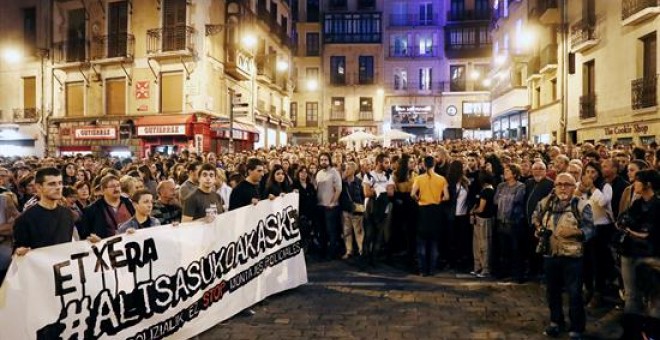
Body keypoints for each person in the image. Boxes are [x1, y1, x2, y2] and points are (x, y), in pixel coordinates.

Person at [532, 173, 594, 340]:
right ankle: (555, 322)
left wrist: (576, 232)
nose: (563, 187)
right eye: (559, 184)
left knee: (574, 293)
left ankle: (577, 328)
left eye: (567, 184)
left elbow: (590, 229)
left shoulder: (582, 206)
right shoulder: (546, 203)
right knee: (552, 291)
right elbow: (535, 217)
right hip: (550, 253)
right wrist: (538, 228)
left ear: (574, 187)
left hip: (573, 256)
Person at [616, 169, 660, 339]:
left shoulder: (657, 205)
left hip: (652, 255)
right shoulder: (637, 203)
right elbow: (624, 221)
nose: (633, 184)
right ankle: (631, 332)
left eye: (637, 181)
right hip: (631, 252)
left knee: (655, 296)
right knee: (632, 295)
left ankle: (652, 332)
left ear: (647, 184)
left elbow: (652, 233)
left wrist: (636, 231)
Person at [12, 167, 79, 255]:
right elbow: (17, 254)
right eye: (52, 184)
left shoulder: (68, 214)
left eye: (60, 183)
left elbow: (69, 244)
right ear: (39, 187)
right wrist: (19, 252)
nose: (58, 187)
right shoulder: (24, 220)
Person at [578, 161, 615, 308]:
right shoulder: (581, 188)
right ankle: (588, 288)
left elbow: (602, 202)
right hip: (585, 228)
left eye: (593, 172)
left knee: (598, 262)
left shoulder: (605, 187)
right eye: (587, 172)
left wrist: (592, 187)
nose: (589, 175)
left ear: (598, 173)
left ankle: (598, 293)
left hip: (600, 229)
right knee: (585, 261)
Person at [411, 156, 449, 276]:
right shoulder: (442, 179)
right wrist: (439, 200)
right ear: (434, 165)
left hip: (423, 210)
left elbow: (412, 194)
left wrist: (418, 199)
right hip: (436, 210)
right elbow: (447, 196)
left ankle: (422, 269)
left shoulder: (419, 178)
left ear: (424, 165)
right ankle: (432, 269)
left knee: (422, 241)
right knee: (434, 242)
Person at [493, 163, 527, 282]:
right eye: (505, 171)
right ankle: (504, 272)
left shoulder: (520, 186)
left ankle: (518, 274)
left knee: (516, 249)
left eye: (508, 171)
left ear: (515, 174)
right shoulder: (501, 186)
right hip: (501, 220)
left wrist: (505, 199)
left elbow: (517, 200)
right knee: (503, 249)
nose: (505, 173)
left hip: (514, 222)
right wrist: (508, 199)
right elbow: (496, 200)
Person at [79, 174, 135, 239]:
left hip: (129, 244)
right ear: (103, 190)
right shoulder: (92, 209)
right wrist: (91, 238)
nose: (116, 189)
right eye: (112, 186)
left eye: (118, 185)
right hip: (106, 246)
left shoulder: (128, 203)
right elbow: (85, 234)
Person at [525, 161, 555, 277]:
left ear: (545, 171)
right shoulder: (528, 182)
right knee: (530, 248)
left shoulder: (550, 184)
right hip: (528, 222)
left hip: (542, 223)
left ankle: (542, 273)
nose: (537, 171)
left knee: (542, 249)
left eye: (541, 169)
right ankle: (532, 270)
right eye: (535, 169)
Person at [363, 153, 394, 262]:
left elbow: (391, 193)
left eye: (388, 162)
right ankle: (366, 257)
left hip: (383, 209)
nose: (388, 165)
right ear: (379, 163)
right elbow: (366, 192)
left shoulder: (389, 176)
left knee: (379, 235)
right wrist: (382, 189)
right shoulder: (368, 176)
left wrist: (376, 189)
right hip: (371, 209)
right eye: (386, 162)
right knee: (369, 234)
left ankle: (374, 258)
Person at [317, 152, 343, 260]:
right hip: (320, 206)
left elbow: (339, 189)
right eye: (322, 159)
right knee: (322, 231)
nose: (323, 161)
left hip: (331, 207)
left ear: (329, 160)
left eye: (325, 159)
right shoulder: (319, 173)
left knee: (331, 231)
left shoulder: (334, 172)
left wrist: (332, 202)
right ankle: (323, 252)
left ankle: (331, 254)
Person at [471, 170, 496, 278]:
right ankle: (478, 267)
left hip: (484, 220)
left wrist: (473, 212)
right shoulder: (488, 190)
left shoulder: (486, 191)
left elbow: (481, 208)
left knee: (483, 245)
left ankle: (484, 269)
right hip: (482, 220)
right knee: (478, 245)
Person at [339, 161, 365, 260]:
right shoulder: (342, 182)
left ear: (354, 170)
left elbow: (363, 195)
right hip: (345, 210)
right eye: (346, 168)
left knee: (359, 232)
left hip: (357, 211)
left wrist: (361, 206)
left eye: (349, 168)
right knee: (347, 232)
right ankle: (349, 251)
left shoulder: (359, 181)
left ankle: (361, 250)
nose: (347, 170)